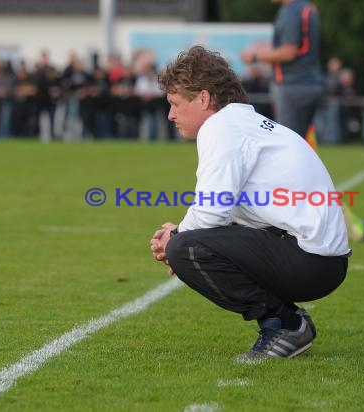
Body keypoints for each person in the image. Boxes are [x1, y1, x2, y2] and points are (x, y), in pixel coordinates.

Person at [149, 46, 350, 362]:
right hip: (320, 259)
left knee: (185, 249)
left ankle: (285, 324)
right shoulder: (243, 123)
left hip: (313, 262)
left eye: (175, 104)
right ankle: (288, 320)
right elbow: (224, 212)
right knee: (188, 241)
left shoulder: (221, 127)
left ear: (203, 99)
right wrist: (180, 230)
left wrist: (176, 238)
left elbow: (212, 210)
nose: (171, 115)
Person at [240, 0, 323, 138]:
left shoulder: (290, 11)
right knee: (301, 141)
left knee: (289, 142)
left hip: (292, 84)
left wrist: (254, 56)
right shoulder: (309, 8)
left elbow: (288, 52)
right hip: (310, 82)